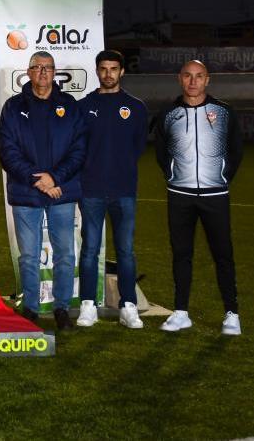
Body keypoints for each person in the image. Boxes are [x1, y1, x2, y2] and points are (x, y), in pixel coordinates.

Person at [0, 51, 86, 332]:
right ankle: (31, 309)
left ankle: (61, 308)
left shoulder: (69, 105)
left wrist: (55, 178)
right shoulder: (13, 107)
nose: (43, 72)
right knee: (29, 256)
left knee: (65, 254)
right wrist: (37, 180)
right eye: (37, 67)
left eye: (47, 68)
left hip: (61, 190)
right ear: (29, 72)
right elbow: (7, 150)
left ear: (54, 72)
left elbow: (79, 148)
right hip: (27, 191)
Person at [154, 60, 244, 336]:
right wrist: (171, 174)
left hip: (215, 195)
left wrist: (222, 177)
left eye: (199, 76)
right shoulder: (168, 113)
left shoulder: (224, 111)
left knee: (223, 254)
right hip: (179, 195)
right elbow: (160, 151)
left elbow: (236, 150)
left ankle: (232, 313)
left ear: (208, 80)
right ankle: (181, 312)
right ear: (180, 79)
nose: (193, 81)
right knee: (181, 254)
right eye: (188, 76)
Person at [77, 50, 147, 329]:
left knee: (126, 250)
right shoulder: (84, 106)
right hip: (91, 189)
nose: (108, 74)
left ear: (122, 72)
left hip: (124, 190)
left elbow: (138, 146)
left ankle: (128, 306)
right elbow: (79, 147)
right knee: (90, 249)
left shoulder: (136, 107)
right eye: (103, 68)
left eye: (113, 69)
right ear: (97, 71)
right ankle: (87, 306)